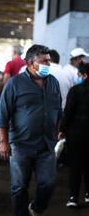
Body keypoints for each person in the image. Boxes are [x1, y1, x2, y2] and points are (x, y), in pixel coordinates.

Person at [0, 44, 62, 216]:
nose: (49, 64)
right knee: (19, 187)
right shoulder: (14, 84)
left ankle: (37, 208)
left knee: (48, 183)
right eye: (44, 61)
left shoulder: (53, 82)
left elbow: (58, 110)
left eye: (49, 61)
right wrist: (3, 142)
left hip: (46, 144)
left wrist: (58, 130)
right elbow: (2, 114)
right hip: (20, 145)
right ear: (31, 63)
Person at [58, 63, 89, 208]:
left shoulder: (75, 90)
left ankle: (73, 197)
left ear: (84, 75)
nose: (78, 77)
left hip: (76, 134)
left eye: (80, 75)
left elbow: (68, 112)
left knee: (75, 166)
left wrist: (62, 129)